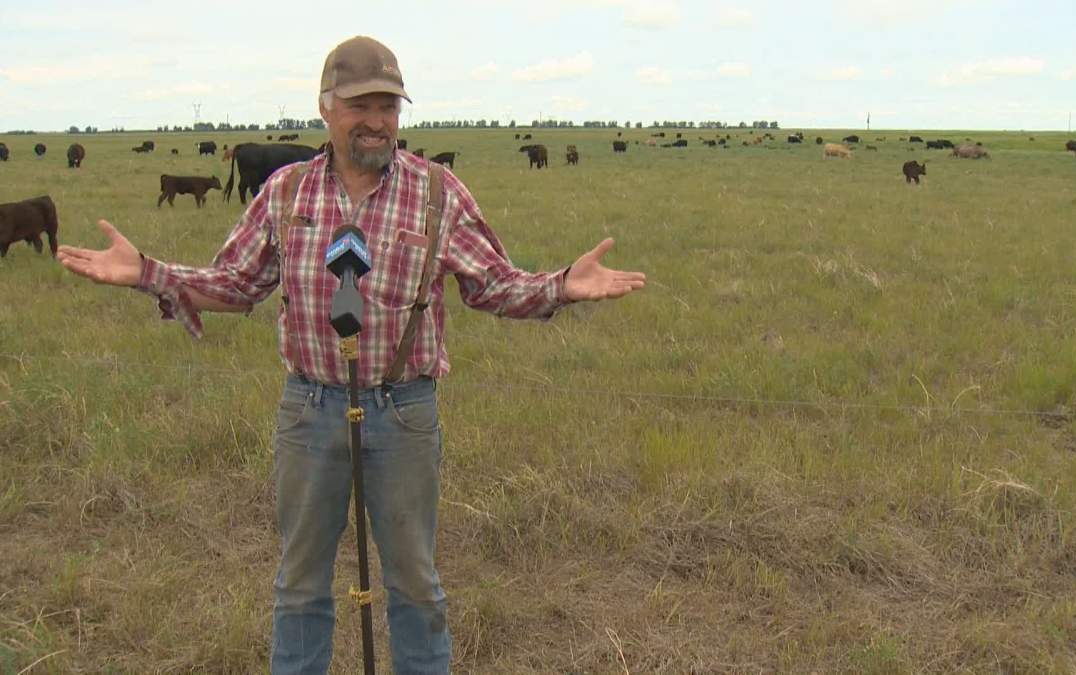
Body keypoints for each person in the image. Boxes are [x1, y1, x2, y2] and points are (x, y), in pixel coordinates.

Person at [56, 35, 645, 675]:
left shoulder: (438, 193)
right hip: (310, 411)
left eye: (389, 106)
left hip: (404, 413)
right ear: (326, 108)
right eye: (361, 104)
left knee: (416, 585)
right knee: (300, 585)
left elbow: (493, 284)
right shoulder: (285, 193)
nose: (377, 120)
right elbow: (235, 283)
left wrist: (560, 285)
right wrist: (148, 271)